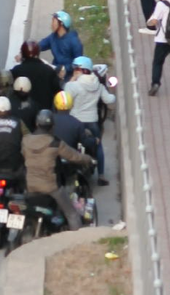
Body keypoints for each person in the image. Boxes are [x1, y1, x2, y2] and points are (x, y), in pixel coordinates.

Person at [22, 110, 94, 229]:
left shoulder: (25, 140)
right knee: (72, 214)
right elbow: (75, 156)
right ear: (52, 127)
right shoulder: (55, 143)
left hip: (30, 185)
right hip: (51, 187)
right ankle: (77, 240)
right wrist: (89, 159)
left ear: (36, 124)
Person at [64, 57, 114, 186]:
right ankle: (101, 175)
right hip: (92, 122)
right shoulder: (98, 84)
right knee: (98, 145)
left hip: (76, 122)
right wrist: (113, 94)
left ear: (82, 70)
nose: (74, 71)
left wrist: (71, 80)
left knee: (69, 145)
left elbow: (64, 97)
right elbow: (109, 99)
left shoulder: (73, 85)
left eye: (76, 68)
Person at [11, 41, 61, 111]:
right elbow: (58, 93)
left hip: (23, 113)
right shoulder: (49, 71)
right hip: (45, 114)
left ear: (23, 53)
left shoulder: (16, 71)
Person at [51, 91, 97, 157]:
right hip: (70, 158)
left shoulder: (50, 120)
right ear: (71, 105)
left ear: (55, 104)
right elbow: (85, 142)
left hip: (53, 156)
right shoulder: (77, 123)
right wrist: (95, 140)